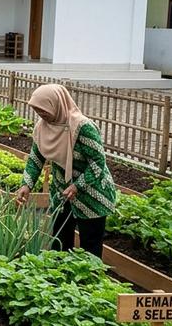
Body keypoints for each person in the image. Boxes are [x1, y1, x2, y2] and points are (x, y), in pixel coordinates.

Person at [15, 84, 117, 257]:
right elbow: (35, 158)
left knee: (90, 248)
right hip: (62, 193)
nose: (41, 114)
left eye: (43, 109)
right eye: (37, 110)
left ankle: (87, 274)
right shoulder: (42, 127)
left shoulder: (82, 127)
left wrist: (78, 186)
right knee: (60, 243)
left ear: (56, 104)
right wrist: (26, 184)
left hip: (92, 193)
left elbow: (98, 162)